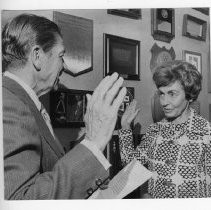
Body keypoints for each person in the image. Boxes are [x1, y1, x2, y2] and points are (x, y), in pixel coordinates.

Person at [2, 13, 126, 200]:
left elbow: (48, 173)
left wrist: (89, 172)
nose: (64, 65)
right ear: (37, 56)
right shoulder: (10, 105)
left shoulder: (23, 101)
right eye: (61, 55)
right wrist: (93, 143)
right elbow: (22, 200)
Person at [118, 60, 211, 198]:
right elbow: (130, 166)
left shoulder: (206, 132)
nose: (164, 102)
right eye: (162, 93)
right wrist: (125, 127)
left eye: (172, 94)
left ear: (189, 95)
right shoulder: (155, 130)